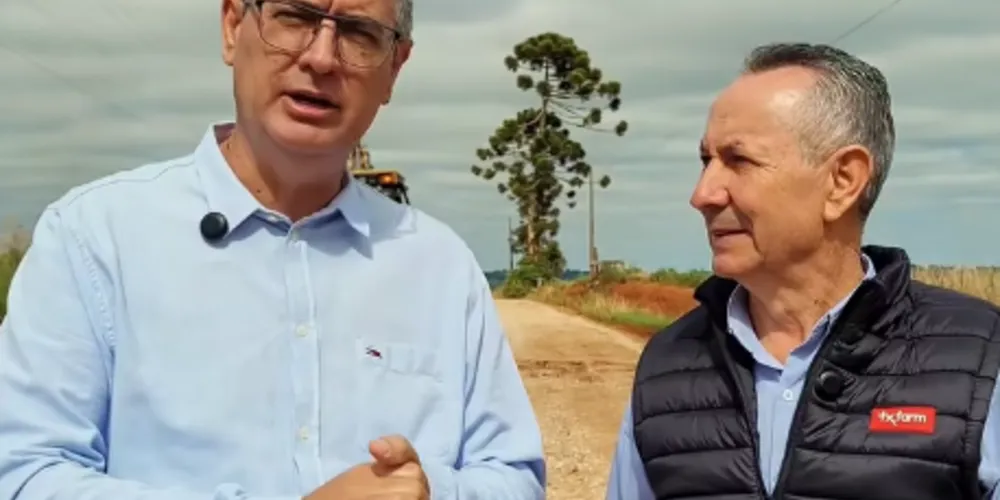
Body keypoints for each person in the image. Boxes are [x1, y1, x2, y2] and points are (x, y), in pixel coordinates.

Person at [0, 0, 546, 499]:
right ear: (233, 26)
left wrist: (434, 493)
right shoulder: (93, 240)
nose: (322, 57)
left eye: (359, 33)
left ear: (395, 69)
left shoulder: (440, 266)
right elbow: (24, 472)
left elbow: (514, 476)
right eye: (296, 17)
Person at [605, 42, 1000, 500]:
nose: (703, 194)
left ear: (842, 182)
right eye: (705, 161)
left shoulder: (980, 360)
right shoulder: (666, 364)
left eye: (739, 160)